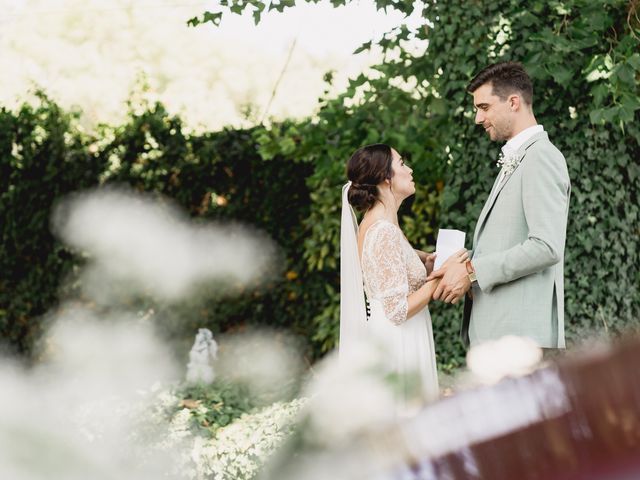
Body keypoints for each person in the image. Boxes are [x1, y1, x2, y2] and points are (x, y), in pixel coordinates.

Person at [428, 61, 571, 351]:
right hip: (501, 335)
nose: (478, 119)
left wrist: (471, 270)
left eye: (484, 107)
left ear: (514, 102)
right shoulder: (519, 157)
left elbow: (546, 246)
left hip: (521, 339)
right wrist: (456, 263)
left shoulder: (541, 157)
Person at [339, 143, 467, 414]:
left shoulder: (384, 224)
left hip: (402, 336)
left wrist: (426, 260)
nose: (409, 170)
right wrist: (442, 274)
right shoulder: (382, 230)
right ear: (386, 178)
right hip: (398, 344)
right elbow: (397, 310)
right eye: (402, 163)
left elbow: (397, 263)